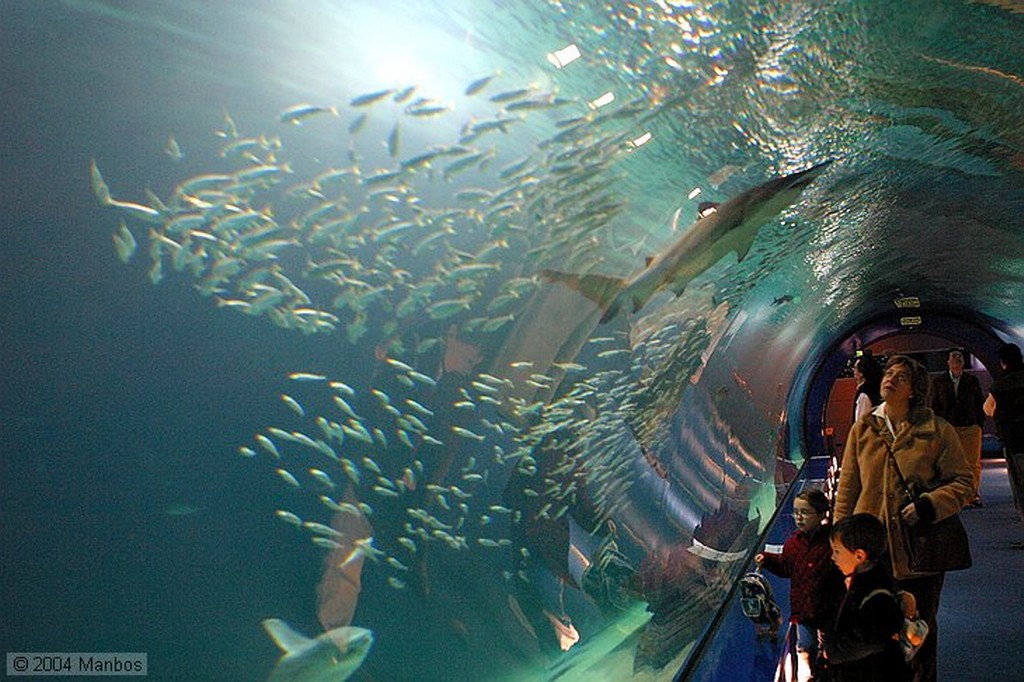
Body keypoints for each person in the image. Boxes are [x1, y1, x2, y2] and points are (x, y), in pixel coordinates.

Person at [833, 355, 972, 682]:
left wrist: (929, 504)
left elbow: (963, 482)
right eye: (889, 372)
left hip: (919, 553)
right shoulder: (863, 428)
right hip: (872, 556)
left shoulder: (937, 430)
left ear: (914, 390)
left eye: (901, 376)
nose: (890, 378)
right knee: (873, 635)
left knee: (917, 635)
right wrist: (839, 548)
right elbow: (848, 489)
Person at [756, 489, 844, 682]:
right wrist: (768, 560)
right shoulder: (792, 543)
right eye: (796, 512)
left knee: (834, 646)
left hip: (830, 607)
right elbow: (786, 567)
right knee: (805, 647)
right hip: (804, 609)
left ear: (822, 514)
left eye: (805, 512)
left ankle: (831, 671)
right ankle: (810, 676)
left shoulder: (832, 541)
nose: (799, 517)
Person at [822, 513, 910, 682]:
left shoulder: (877, 596)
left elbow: (868, 640)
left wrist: (832, 650)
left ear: (859, 556)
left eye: (837, 551)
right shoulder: (854, 579)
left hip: (868, 673)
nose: (833, 557)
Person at [929, 349, 986, 507]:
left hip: (969, 427)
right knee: (951, 464)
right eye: (954, 356)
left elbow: (979, 403)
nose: (957, 358)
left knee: (972, 463)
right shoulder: (939, 381)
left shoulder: (971, 380)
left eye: (960, 356)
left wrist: (978, 424)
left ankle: (972, 495)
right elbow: (935, 405)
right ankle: (956, 495)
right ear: (947, 361)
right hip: (949, 428)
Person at [983, 342, 1024, 548]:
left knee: (1021, 489)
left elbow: (988, 409)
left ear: (1002, 362)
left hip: (1014, 442)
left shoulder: (1000, 385)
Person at [852, 355, 883, 423]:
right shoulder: (878, 388)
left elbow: (861, 422)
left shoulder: (864, 394)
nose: (853, 370)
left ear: (861, 373)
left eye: (855, 368)